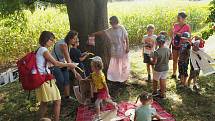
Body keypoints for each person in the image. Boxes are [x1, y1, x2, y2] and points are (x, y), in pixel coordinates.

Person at [36, 31, 77, 121]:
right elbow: (55, 63)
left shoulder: (39, 49)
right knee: (57, 100)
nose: (53, 42)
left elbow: (48, 64)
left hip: (41, 78)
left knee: (44, 102)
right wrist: (70, 65)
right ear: (46, 40)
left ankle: (39, 119)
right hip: (45, 79)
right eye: (51, 40)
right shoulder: (44, 50)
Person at [90, 16, 130, 82]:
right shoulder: (110, 30)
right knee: (116, 63)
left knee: (123, 63)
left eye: (112, 22)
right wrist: (94, 34)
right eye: (110, 23)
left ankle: (124, 77)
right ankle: (116, 77)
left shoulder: (121, 28)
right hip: (114, 49)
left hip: (122, 48)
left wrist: (127, 47)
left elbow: (126, 37)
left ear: (116, 22)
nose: (111, 24)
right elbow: (103, 32)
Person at [51, 30, 81, 101]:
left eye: (76, 38)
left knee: (66, 79)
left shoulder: (67, 44)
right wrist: (75, 73)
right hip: (55, 64)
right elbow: (68, 60)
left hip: (63, 64)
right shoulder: (63, 45)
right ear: (69, 38)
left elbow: (67, 59)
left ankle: (67, 97)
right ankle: (55, 97)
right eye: (74, 39)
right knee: (60, 80)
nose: (75, 40)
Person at [89, 56, 117, 120]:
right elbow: (92, 81)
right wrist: (92, 91)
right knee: (106, 100)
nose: (91, 67)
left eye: (92, 66)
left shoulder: (101, 75)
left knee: (97, 103)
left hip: (103, 90)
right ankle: (114, 104)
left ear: (97, 67)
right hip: (99, 90)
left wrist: (108, 93)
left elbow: (105, 85)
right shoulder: (93, 74)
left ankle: (98, 116)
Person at [170, 12, 191, 80]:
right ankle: (174, 74)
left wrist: (181, 35)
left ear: (184, 18)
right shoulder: (175, 25)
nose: (177, 19)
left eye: (179, 18)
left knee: (181, 61)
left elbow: (189, 37)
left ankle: (181, 75)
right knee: (174, 60)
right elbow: (172, 34)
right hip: (175, 44)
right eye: (177, 17)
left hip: (183, 46)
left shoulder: (187, 26)